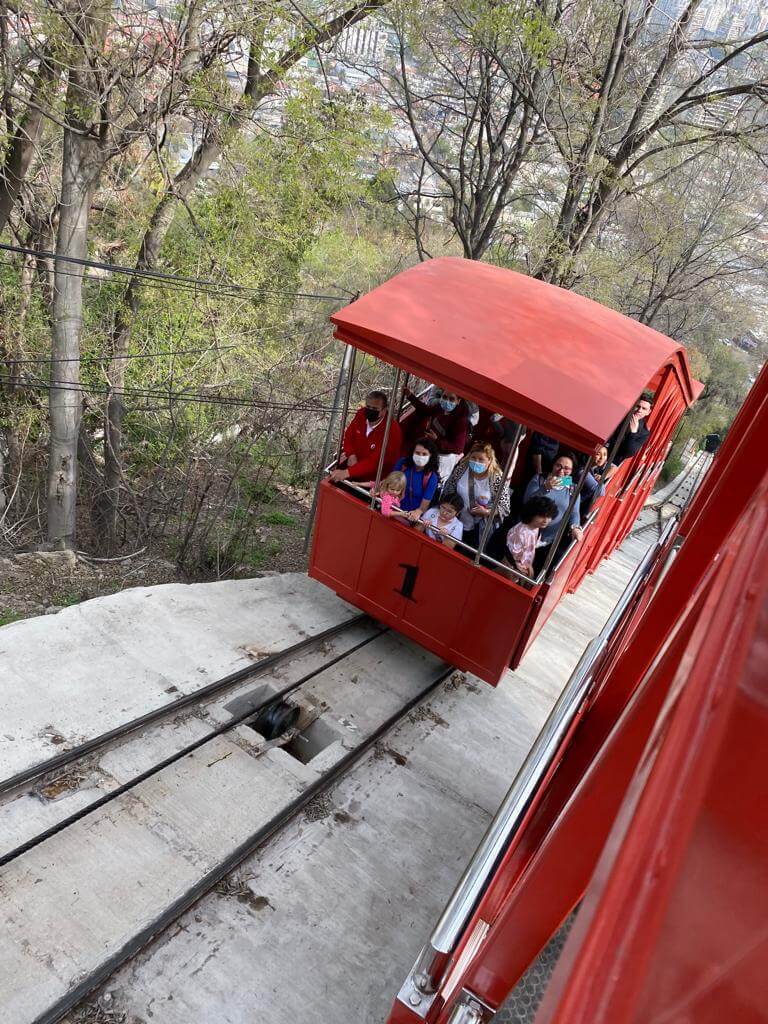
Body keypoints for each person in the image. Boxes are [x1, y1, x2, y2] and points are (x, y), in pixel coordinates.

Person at [442, 441, 511, 550]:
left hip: (478, 529)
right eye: (473, 458)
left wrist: (486, 512)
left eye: (481, 459)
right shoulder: (462, 469)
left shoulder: (496, 478)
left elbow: (505, 507)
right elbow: (449, 489)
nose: (476, 461)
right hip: (454, 522)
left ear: (489, 461)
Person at [522, 451, 583, 573]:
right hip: (525, 536)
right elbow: (527, 502)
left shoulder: (572, 488)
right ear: (553, 465)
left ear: (571, 472)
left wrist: (575, 527)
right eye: (558, 466)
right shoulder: (539, 479)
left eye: (566, 469)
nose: (561, 471)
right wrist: (545, 489)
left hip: (547, 542)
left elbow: (574, 513)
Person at [329, 390, 402, 484]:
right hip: (353, 468)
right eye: (368, 406)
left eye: (375, 409)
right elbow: (349, 435)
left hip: (374, 481)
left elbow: (375, 462)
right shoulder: (361, 414)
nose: (370, 410)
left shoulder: (392, 431)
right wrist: (351, 454)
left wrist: (347, 473)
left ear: (384, 410)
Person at [402, 385, 470, 482]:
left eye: (451, 399)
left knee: (432, 482)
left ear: (458, 401)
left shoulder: (461, 421)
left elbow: (458, 448)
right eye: (445, 397)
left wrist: (437, 440)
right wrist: (410, 396)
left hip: (444, 458)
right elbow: (425, 411)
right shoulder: (439, 408)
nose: (447, 401)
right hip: (431, 450)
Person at [504, 496, 558, 578]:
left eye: (549, 517)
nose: (546, 520)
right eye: (542, 516)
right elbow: (513, 556)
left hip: (524, 565)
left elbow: (530, 549)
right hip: (513, 567)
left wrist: (529, 566)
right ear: (532, 514)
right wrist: (525, 569)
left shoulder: (536, 528)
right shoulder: (520, 532)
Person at [604, 395, 653, 479]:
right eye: (638, 406)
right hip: (598, 451)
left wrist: (633, 432)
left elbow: (629, 452)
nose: (639, 410)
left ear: (648, 412)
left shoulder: (644, 432)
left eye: (644, 408)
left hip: (611, 463)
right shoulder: (619, 414)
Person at [393, 438, 440, 519]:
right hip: (391, 509)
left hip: (408, 517)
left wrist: (418, 512)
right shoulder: (402, 463)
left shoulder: (432, 477)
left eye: (424, 454)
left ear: (431, 456)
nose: (420, 456)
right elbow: (389, 483)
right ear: (412, 453)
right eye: (417, 453)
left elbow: (422, 508)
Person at [580, 444, 609, 518]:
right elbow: (600, 491)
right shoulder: (581, 470)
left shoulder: (595, 470)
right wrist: (600, 481)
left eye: (605, 455)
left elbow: (615, 467)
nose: (602, 458)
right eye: (598, 454)